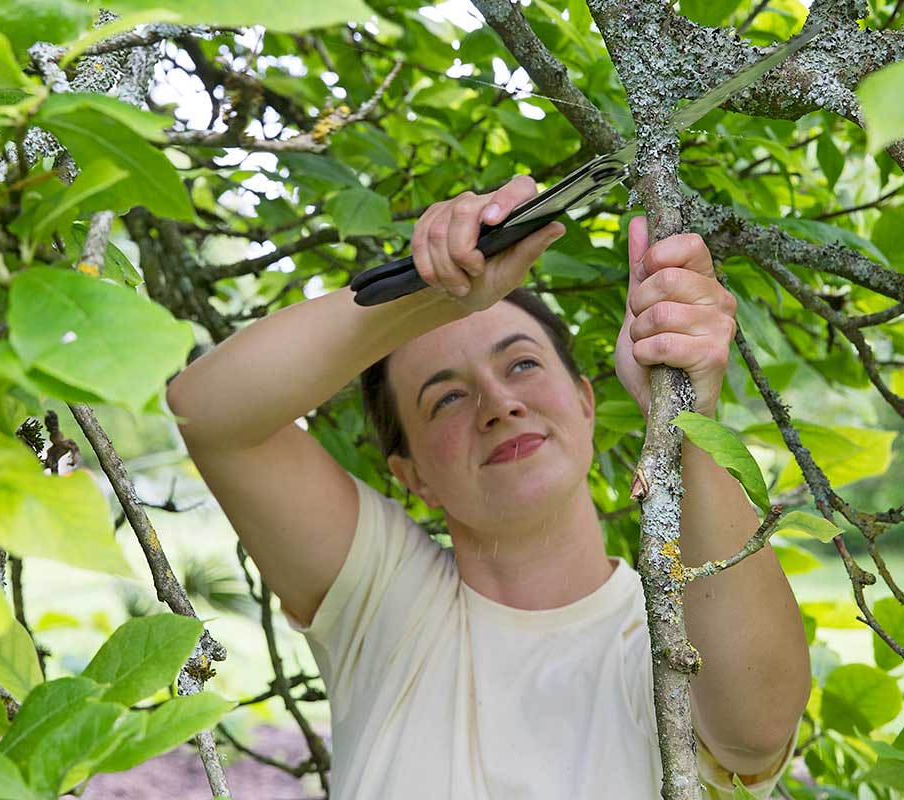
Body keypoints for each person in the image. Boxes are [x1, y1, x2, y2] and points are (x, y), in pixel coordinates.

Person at [166, 175, 811, 799]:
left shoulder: (667, 641)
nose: (498, 404)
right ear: (413, 477)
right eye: (445, 397)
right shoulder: (384, 600)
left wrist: (683, 414)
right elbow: (211, 415)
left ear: (587, 403)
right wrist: (440, 293)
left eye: (523, 363)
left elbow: (755, 731)